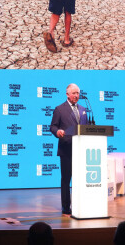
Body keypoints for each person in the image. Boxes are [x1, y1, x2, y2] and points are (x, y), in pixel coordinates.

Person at [50, 83, 88, 216]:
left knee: (80, 179)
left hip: (81, 149)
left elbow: (86, 128)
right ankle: (66, 207)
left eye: (78, 93)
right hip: (66, 149)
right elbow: (53, 126)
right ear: (67, 94)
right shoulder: (59, 109)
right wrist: (58, 131)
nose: (76, 96)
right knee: (66, 179)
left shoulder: (83, 109)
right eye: (74, 93)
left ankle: (80, 204)